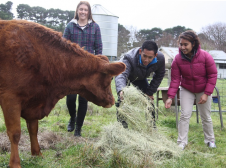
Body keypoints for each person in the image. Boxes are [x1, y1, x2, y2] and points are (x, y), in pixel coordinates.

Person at [165, 30, 217, 150]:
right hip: (187, 89)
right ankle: (181, 142)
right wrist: (170, 97)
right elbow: (175, 80)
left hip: (203, 89)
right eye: (181, 44)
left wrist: (206, 93)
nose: (182, 47)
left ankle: (210, 140)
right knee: (185, 115)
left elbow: (213, 75)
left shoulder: (205, 56)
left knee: (206, 116)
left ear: (193, 44)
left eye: (185, 44)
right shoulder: (177, 59)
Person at [63, 1, 102, 137]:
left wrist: (98, 65)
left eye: (86, 10)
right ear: (77, 11)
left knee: (84, 99)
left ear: (89, 12)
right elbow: (63, 46)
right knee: (71, 98)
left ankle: (78, 128)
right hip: (73, 69)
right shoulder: (70, 26)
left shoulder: (95, 27)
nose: (83, 12)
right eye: (81, 9)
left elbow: (99, 48)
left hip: (89, 69)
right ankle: (72, 118)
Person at [115, 40, 165, 128]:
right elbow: (121, 74)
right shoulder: (129, 58)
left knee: (149, 100)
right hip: (126, 76)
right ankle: (122, 127)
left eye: (150, 57)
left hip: (140, 78)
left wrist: (150, 92)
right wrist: (121, 90)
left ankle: (152, 126)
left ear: (155, 55)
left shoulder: (160, 59)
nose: (146, 60)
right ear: (140, 51)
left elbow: (159, 75)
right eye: (144, 56)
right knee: (121, 100)